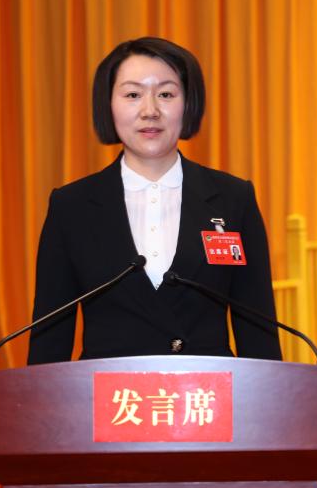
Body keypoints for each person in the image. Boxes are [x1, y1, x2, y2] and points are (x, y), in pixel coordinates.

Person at [26, 36, 282, 364]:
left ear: (189, 104)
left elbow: (258, 331)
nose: (150, 111)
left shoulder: (233, 199)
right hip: (110, 393)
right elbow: (49, 341)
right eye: (133, 95)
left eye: (166, 94)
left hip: (207, 391)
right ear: (108, 104)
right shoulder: (71, 206)